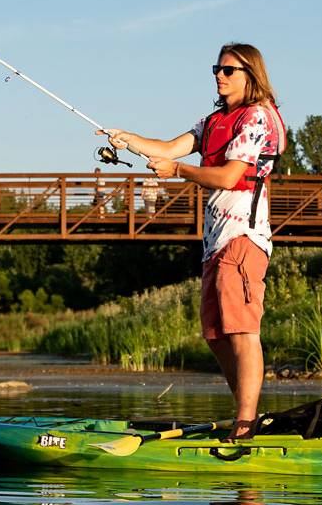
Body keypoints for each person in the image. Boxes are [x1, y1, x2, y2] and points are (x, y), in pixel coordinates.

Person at [98, 43, 286, 441]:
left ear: (250, 76)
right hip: (215, 244)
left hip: (244, 238)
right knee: (216, 335)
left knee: (241, 331)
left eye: (229, 70)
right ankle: (246, 415)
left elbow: (229, 176)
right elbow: (167, 149)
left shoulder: (257, 118)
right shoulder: (215, 120)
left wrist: (178, 170)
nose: (219, 75)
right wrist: (128, 138)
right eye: (216, 68)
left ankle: (245, 424)